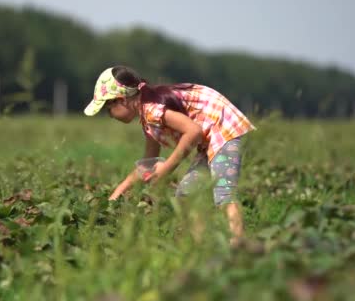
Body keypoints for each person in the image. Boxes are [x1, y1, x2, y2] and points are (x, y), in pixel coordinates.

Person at [83, 65, 256, 243]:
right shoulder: (147, 118)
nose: (110, 115)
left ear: (121, 100)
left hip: (223, 127)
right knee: (186, 194)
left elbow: (193, 131)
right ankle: (200, 243)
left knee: (224, 192)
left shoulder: (152, 110)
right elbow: (148, 163)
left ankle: (238, 246)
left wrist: (166, 169)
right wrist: (118, 193)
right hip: (208, 140)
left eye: (107, 108)